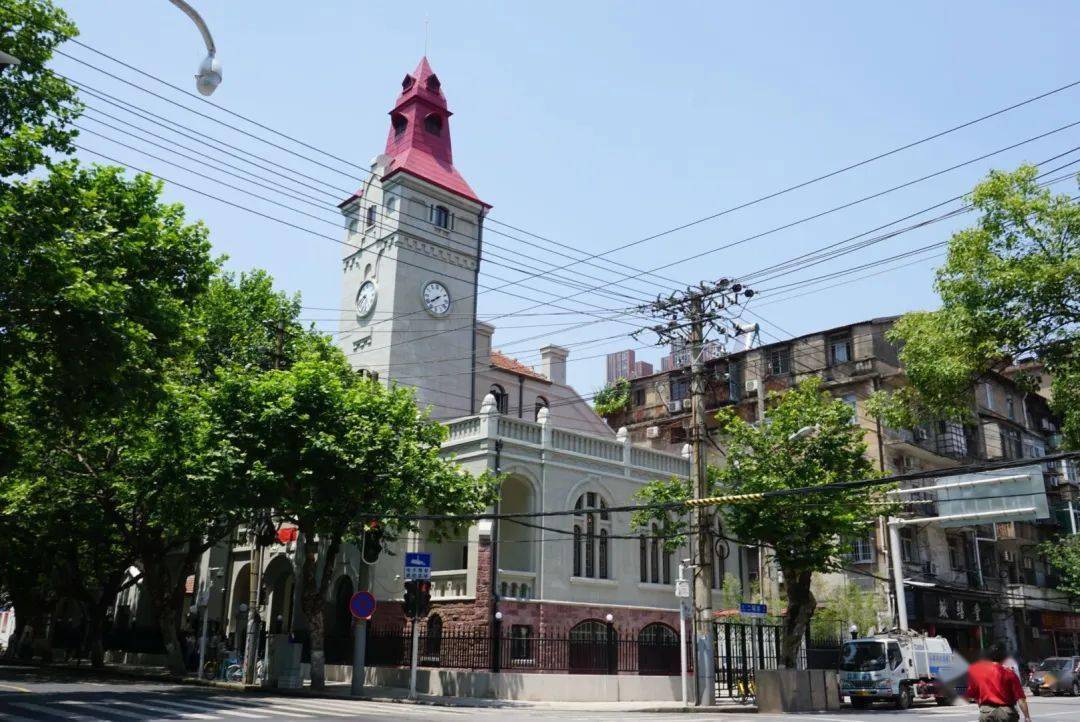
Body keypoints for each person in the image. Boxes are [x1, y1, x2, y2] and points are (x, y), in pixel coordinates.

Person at [966, 642, 1031, 722]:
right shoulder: (1010, 673)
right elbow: (1021, 699)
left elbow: (972, 694)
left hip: (987, 712)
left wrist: (983, 707)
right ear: (1004, 657)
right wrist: (1027, 717)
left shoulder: (979, 673)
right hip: (1006, 713)